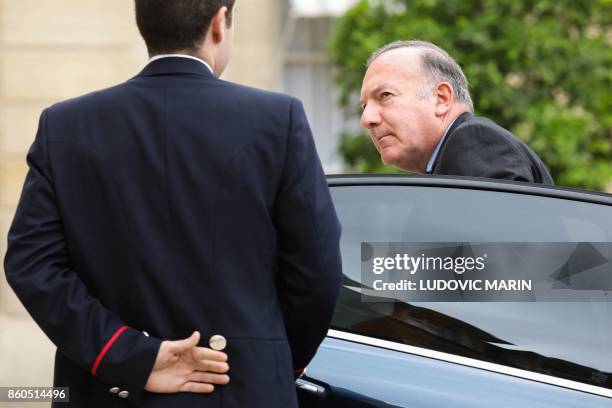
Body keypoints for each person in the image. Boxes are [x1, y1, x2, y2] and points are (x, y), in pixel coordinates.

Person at [3, 1, 342, 407]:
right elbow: (316, 272)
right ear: (220, 23)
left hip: (110, 391)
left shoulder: (64, 124)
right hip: (241, 386)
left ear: (144, 25)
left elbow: (31, 264)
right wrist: (269, 357)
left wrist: (126, 354)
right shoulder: (277, 118)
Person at [360, 40, 554, 184]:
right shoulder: (448, 162)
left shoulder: (473, 140)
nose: (367, 119)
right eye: (364, 106)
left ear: (441, 99)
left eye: (385, 95)